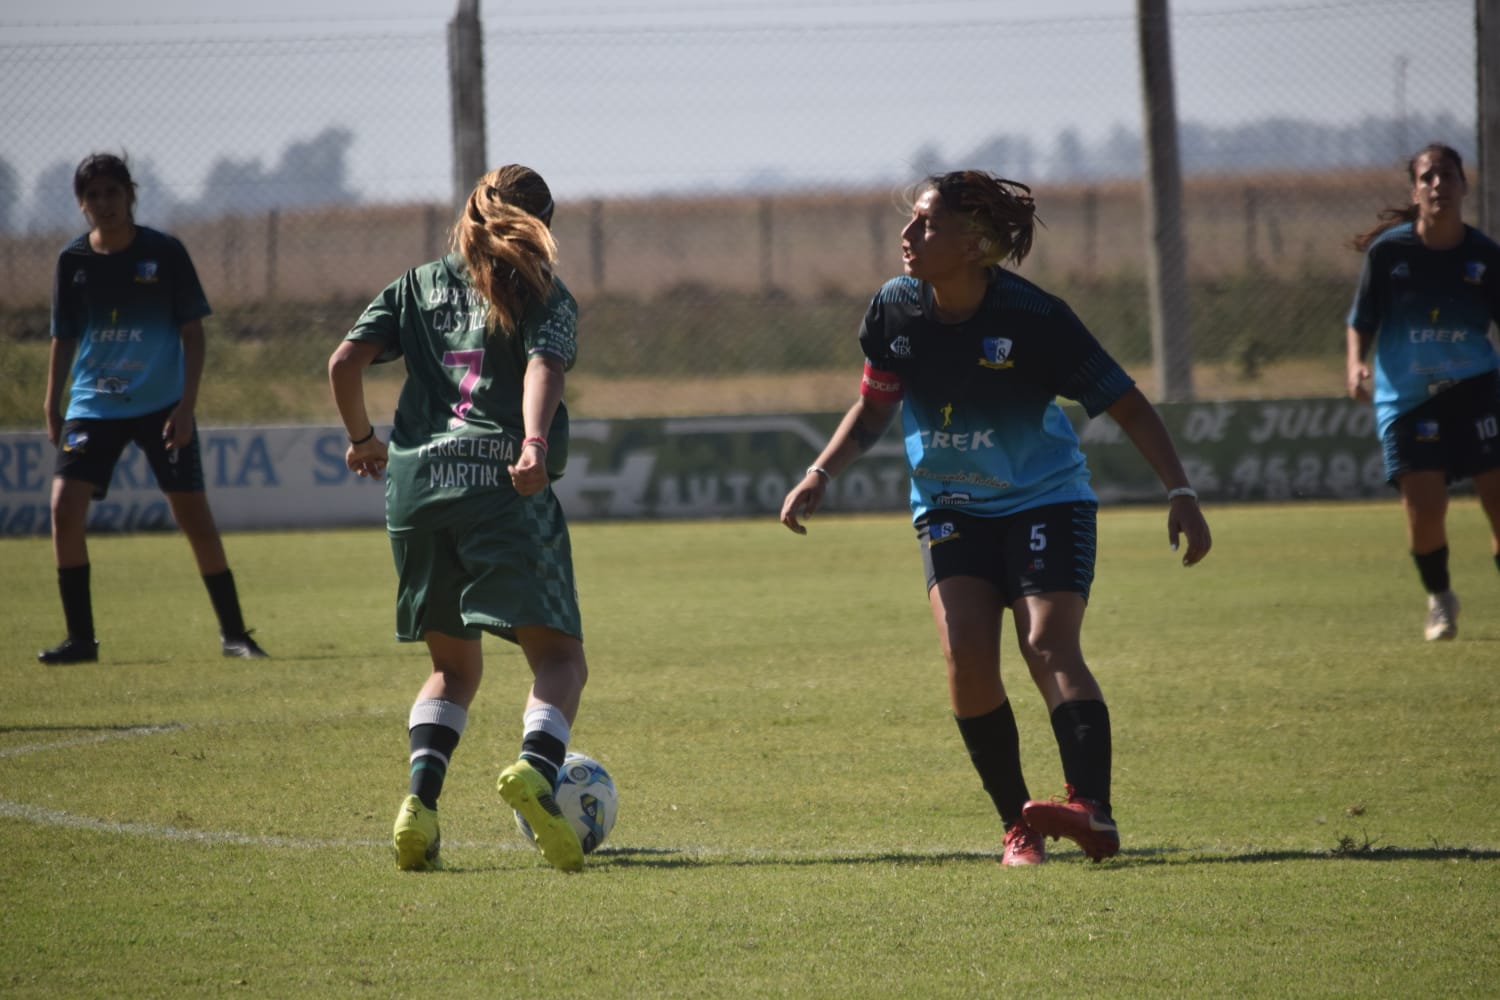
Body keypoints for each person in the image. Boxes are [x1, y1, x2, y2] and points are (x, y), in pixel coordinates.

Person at [780, 170, 1211, 865]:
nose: (908, 233)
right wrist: (820, 471)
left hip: (1046, 499)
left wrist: (1180, 492)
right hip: (949, 507)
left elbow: (1127, 404)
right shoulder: (894, 309)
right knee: (966, 658)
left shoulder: (1035, 318)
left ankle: (1092, 811)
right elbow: (876, 406)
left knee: (1047, 643)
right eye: (911, 219)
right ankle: (1019, 827)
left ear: (976, 244)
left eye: (927, 223)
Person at [328, 164, 589, 873]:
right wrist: (533, 444)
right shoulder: (542, 292)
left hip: (416, 493)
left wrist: (362, 440)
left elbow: (345, 361)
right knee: (560, 657)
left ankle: (420, 806)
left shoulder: (415, 286)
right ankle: (537, 770)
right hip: (500, 485)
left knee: (451, 668)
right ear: (542, 225)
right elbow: (543, 367)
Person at [40, 152, 267, 664]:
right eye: (93, 195)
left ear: (130, 195)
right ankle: (81, 640)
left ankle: (235, 635)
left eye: (112, 192)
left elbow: (194, 335)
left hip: (161, 405)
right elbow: (63, 337)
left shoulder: (164, 253)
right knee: (63, 509)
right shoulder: (72, 261)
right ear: (81, 204)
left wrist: (185, 408)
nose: (104, 203)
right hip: (92, 405)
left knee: (194, 517)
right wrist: (52, 403)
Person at [1346, 142, 1500, 641]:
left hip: (1477, 389)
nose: (1438, 185)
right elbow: (1361, 321)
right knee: (1426, 512)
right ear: (1415, 191)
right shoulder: (1389, 254)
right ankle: (1440, 598)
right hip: (1409, 398)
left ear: (1464, 186)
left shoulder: (1484, 256)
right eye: (1428, 177)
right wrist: (1355, 364)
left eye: (1448, 175)